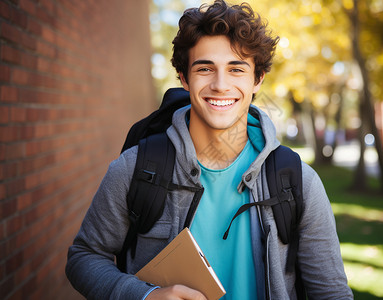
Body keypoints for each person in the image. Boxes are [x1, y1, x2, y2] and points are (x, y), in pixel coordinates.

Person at [65, 1, 353, 299]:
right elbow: (84, 257)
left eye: (236, 69)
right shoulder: (135, 168)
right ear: (184, 78)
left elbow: (331, 293)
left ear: (257, 80)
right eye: (205, 68)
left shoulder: (299, 182)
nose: (220, 84)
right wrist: (144, 296)